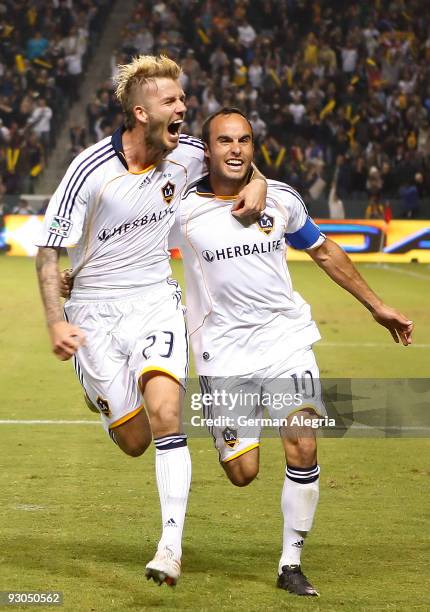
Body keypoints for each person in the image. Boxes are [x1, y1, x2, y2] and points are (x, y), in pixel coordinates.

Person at [35, 57, 266, 588]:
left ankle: (170, 547)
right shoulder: (88, 171)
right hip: (93, 310)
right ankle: (103, 400)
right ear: (140, 113)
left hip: (155, 298)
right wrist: (55, 322)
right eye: (172, 102)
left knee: (166, 412)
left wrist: (258, 183)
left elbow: (238, 160)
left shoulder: (186, 153)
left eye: (183, 100)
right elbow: (48, 254)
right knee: (135, 439)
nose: (184, 107)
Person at [166, 108, 413, 596]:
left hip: (286, 338)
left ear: (254, 148)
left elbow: (323, 251)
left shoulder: (280, 198)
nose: (235, 149)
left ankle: (290, 563)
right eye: (224, 141)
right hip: (222, 351)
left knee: (302, 438)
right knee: (243, 472)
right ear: (207, 150)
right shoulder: (183, 211)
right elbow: (134, 242)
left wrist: (376, 305)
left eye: (244, 141)